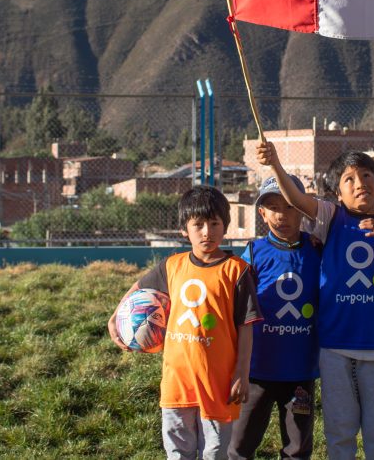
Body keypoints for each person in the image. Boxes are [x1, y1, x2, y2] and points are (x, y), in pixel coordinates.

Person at [257, 142, 374, 460]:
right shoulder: (331, 218)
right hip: (334, 349)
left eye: (366, 175)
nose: (360, 183)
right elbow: (295, 199)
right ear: (337, 193)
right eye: (349, 179)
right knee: (339, 435)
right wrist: (276, 164)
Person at [108, 186, 263, 460]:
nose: (207, 232)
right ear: (184, 229)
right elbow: (139, 288)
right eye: (198, 225)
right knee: (178, 452)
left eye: (214, 224)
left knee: (214, 453)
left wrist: (241, 372)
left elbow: (246, 325)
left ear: (225, 227)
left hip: (218, 383)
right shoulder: (172, 266)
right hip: (177, 382)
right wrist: (116, 316)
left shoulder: (236, 271)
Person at [229, 174, 321, 460]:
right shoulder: (253, 253)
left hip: (301, 371)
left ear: (303, 207)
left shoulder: (318, 249)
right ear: (262, 213)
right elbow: (236, 304)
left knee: (297, 449)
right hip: (258, 370)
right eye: (273, 207)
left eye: (290, 206)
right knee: (241, 446)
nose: (282, 215)